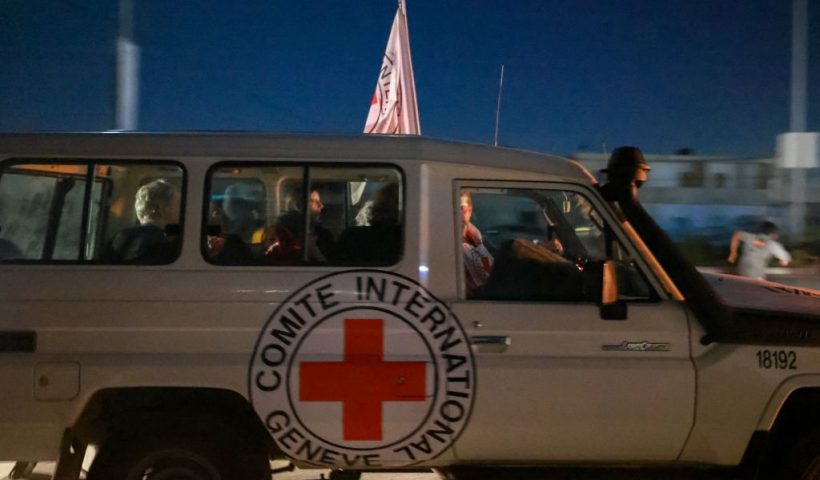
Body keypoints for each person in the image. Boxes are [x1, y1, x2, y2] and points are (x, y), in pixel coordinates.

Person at [104, 179, 181, 264]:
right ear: (162, 209)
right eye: (177, 205)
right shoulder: (164, 245)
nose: (181, 211)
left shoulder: (118, 237)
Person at [460, 192, 494, 296]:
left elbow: (489, 270)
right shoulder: (447, 242)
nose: (457, 212)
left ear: (470, 210)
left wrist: (480, 245)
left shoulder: (476, 239)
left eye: (461, 207)